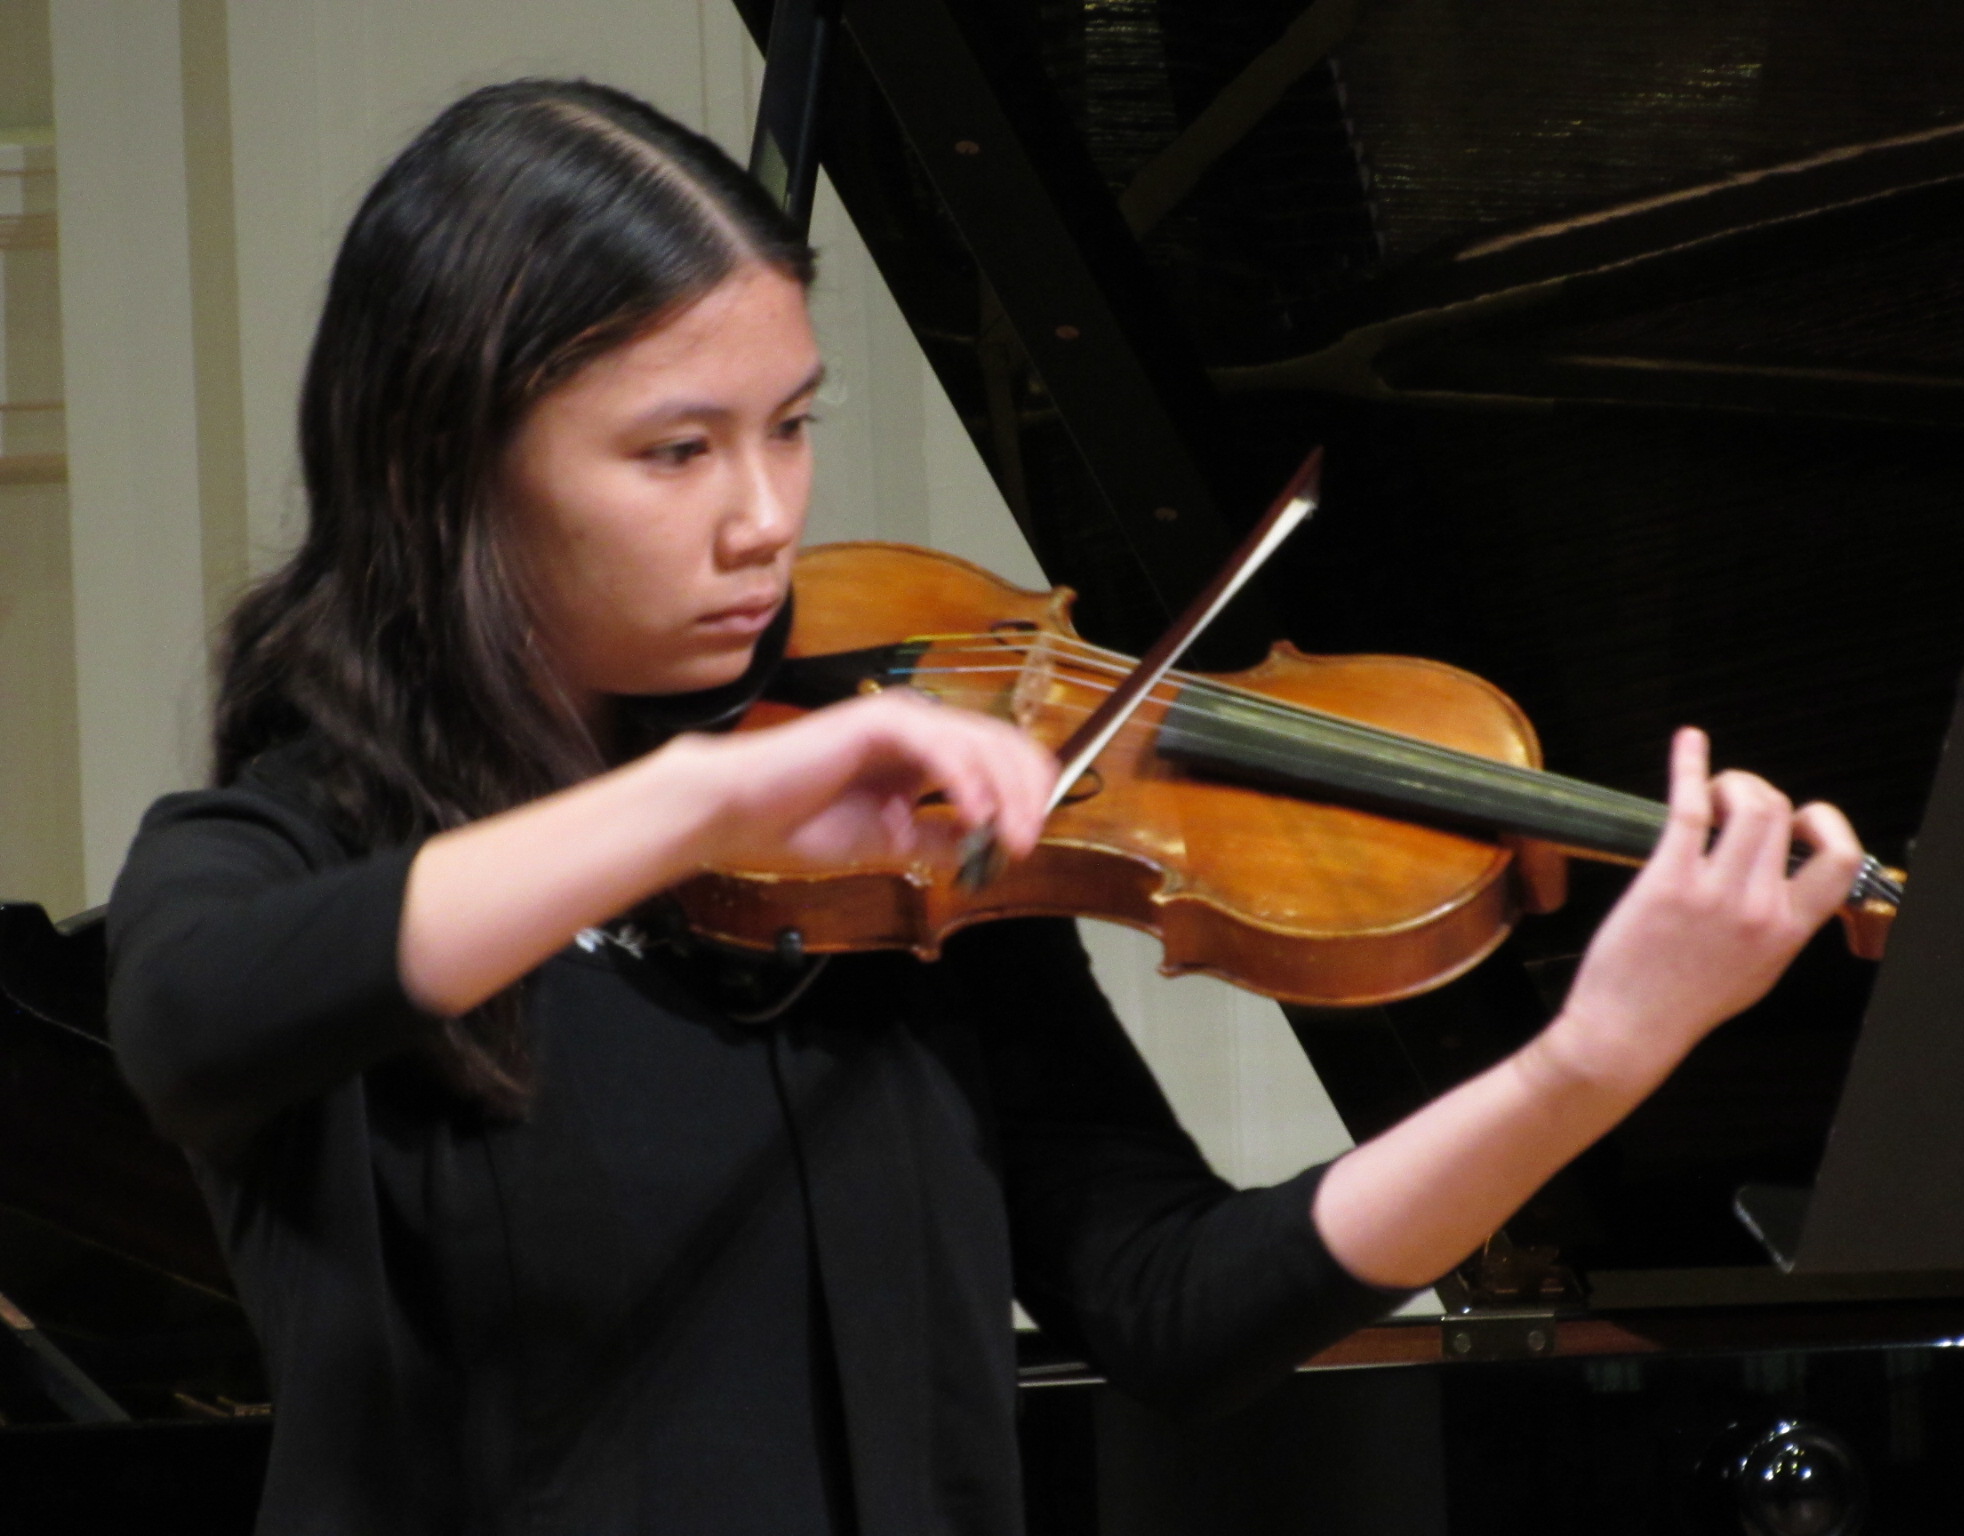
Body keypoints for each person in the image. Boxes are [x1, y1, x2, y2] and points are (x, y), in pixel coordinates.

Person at [105, 79, 1864, 1536]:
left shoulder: (893, 867)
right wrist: (709, 790)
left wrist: (1590, 1066)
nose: (764, 519)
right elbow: (192, 1021)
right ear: (448, 461)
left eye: (789, 429)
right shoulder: (296, 848)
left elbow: (1177, 1305)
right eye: (674, 449)